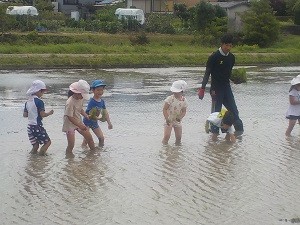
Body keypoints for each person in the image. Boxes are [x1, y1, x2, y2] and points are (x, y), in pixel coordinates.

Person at [198, 33, 244, 136]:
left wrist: (235, 80)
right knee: (216, 114)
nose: (228, 48)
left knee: (234, 111)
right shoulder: (214, 57)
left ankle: (238, 135)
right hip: (216, 89)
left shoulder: (232, 58)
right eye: (226, 45)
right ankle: (214, 136)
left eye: (230, 45)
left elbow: (228, 74)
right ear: (222, 44)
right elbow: (207, 73)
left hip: (226, 88)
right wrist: (202, 88)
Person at [62, 79, 96, 155]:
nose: (82, 97)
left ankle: (93, 156)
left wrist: (86, 116)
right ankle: (69, 160)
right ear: (76, 93)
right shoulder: (69, 102)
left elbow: (80, 109)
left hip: (78, 120)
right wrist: (80, 125)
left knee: (89, 138)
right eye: (82, 95)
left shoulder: (81, 98)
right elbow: (69, 117)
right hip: (69, 124)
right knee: (71, 145)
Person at [23, 80, 54, 156]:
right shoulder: (39, 102)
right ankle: (41, 158)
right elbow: (42, 114)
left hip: (30, 127)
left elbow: (25, 115)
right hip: (37, 126)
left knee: (35, 145)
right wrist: (49, 113)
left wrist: (32, 112)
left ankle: (32, 159)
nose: (42, 94)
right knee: (47, 142)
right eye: (42, 92)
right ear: (39, 91)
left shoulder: (27, 102)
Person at [82, 80, 113, 147]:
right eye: (98, 90)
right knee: (86, 139)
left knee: (101, 138)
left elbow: (105, 112)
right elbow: (89, 114)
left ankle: (100, 151)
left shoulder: (102, 101)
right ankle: (83, 152)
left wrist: (109, 123)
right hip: (87, 121)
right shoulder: (92, 102)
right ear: (93, 90)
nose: (100, 92)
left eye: (101, 90)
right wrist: (99, 118)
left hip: (94, 122)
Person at [162, 80, 188, 145]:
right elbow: (164, 109)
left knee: (179, 137)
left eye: (177, 92)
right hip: (169, 119)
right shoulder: (170, 99)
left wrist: (180, 117)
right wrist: (167, 118)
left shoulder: (184, 100)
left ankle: (177, 150)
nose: (175, 93)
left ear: (182, 91)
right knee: (166, 136)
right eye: (174, 91)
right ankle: (164, 148)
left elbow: (184, 111)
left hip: (177, 120)